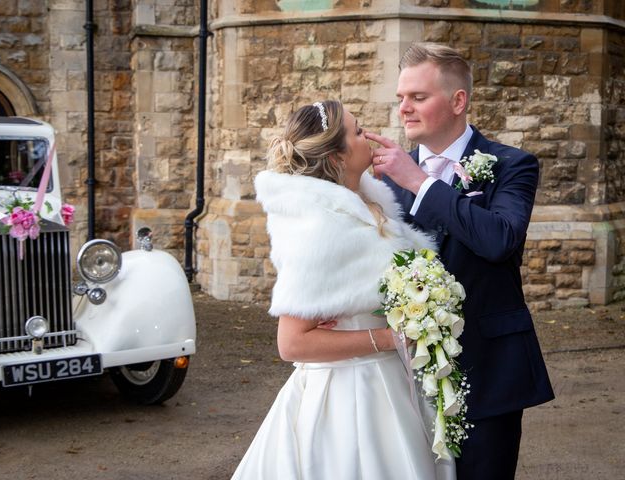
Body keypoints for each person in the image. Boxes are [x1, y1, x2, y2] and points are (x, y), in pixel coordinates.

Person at [232, 100, 455, 479]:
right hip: (346, 398)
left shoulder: (371, 206)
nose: (367, 135)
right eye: (357, 131)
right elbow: (292, 343)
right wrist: (389, 338)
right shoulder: (320, 230)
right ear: (337, 157)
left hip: (392, 386)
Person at [367, 43, 555, 480]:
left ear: (458, 101)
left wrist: (420, 182)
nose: (404, 109)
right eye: (401, 98)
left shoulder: (512, 165)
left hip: (488, 370)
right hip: (404, 380)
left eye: (418, 97)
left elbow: (499, 241)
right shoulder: (385, 184)